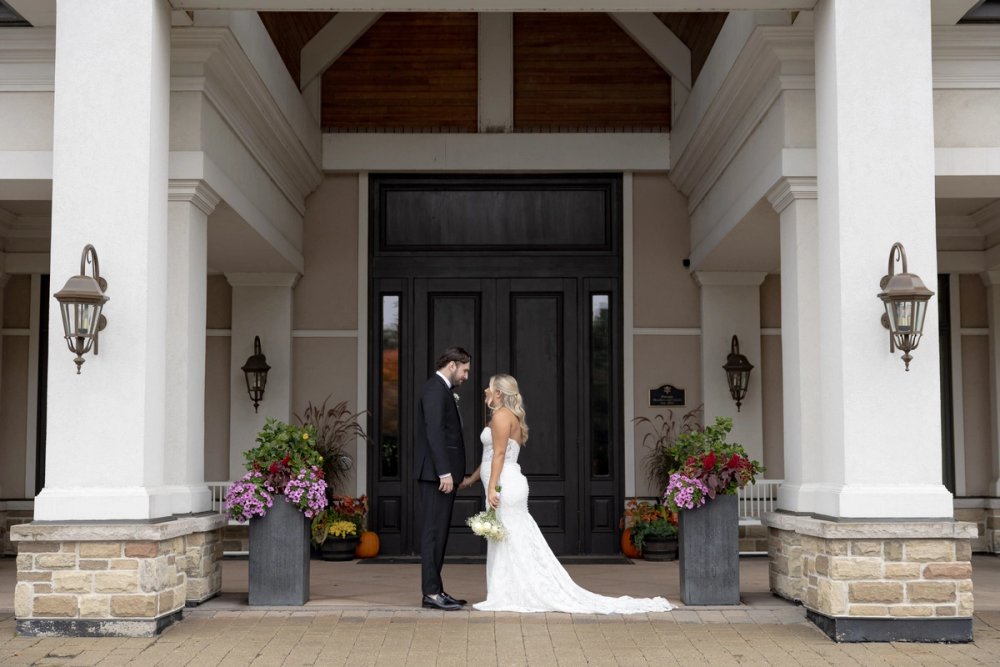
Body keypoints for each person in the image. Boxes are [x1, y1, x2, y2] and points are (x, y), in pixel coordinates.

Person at [460, 374, 674, 614]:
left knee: (511, 537)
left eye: (488, 388)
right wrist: (471, 479)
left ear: (498, 393)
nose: (485, 392)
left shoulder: (501, 416)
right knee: (508, 537)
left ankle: (516, 591)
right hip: (504, 482)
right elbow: (489, 456)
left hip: (504, 485)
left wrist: (492, 487)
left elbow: (499, 455)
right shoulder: (506, 417)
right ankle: (508, 590)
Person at [415, 346, 472, 611]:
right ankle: (431, 593)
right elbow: (434, 432)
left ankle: (436, 589)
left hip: (440, 474)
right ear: (452, 365)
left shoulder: (442, 391)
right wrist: (444, 472)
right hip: (436, 476)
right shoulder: (434, 390)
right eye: (464, 370)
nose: (466, 376)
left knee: (439, 534)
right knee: (433, 534)